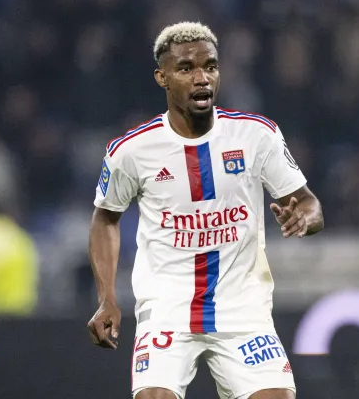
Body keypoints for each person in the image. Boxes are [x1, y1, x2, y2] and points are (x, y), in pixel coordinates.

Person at [87, 22, 324, 399]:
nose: (202, 78)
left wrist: (304, 218)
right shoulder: (131, 151)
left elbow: (310, 203)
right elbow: (105, 218)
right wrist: (107, 298)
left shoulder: (255, 135)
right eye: (186, 69)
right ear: (162, 77)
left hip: (243, 310)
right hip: (166, 310)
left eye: (210, 67)